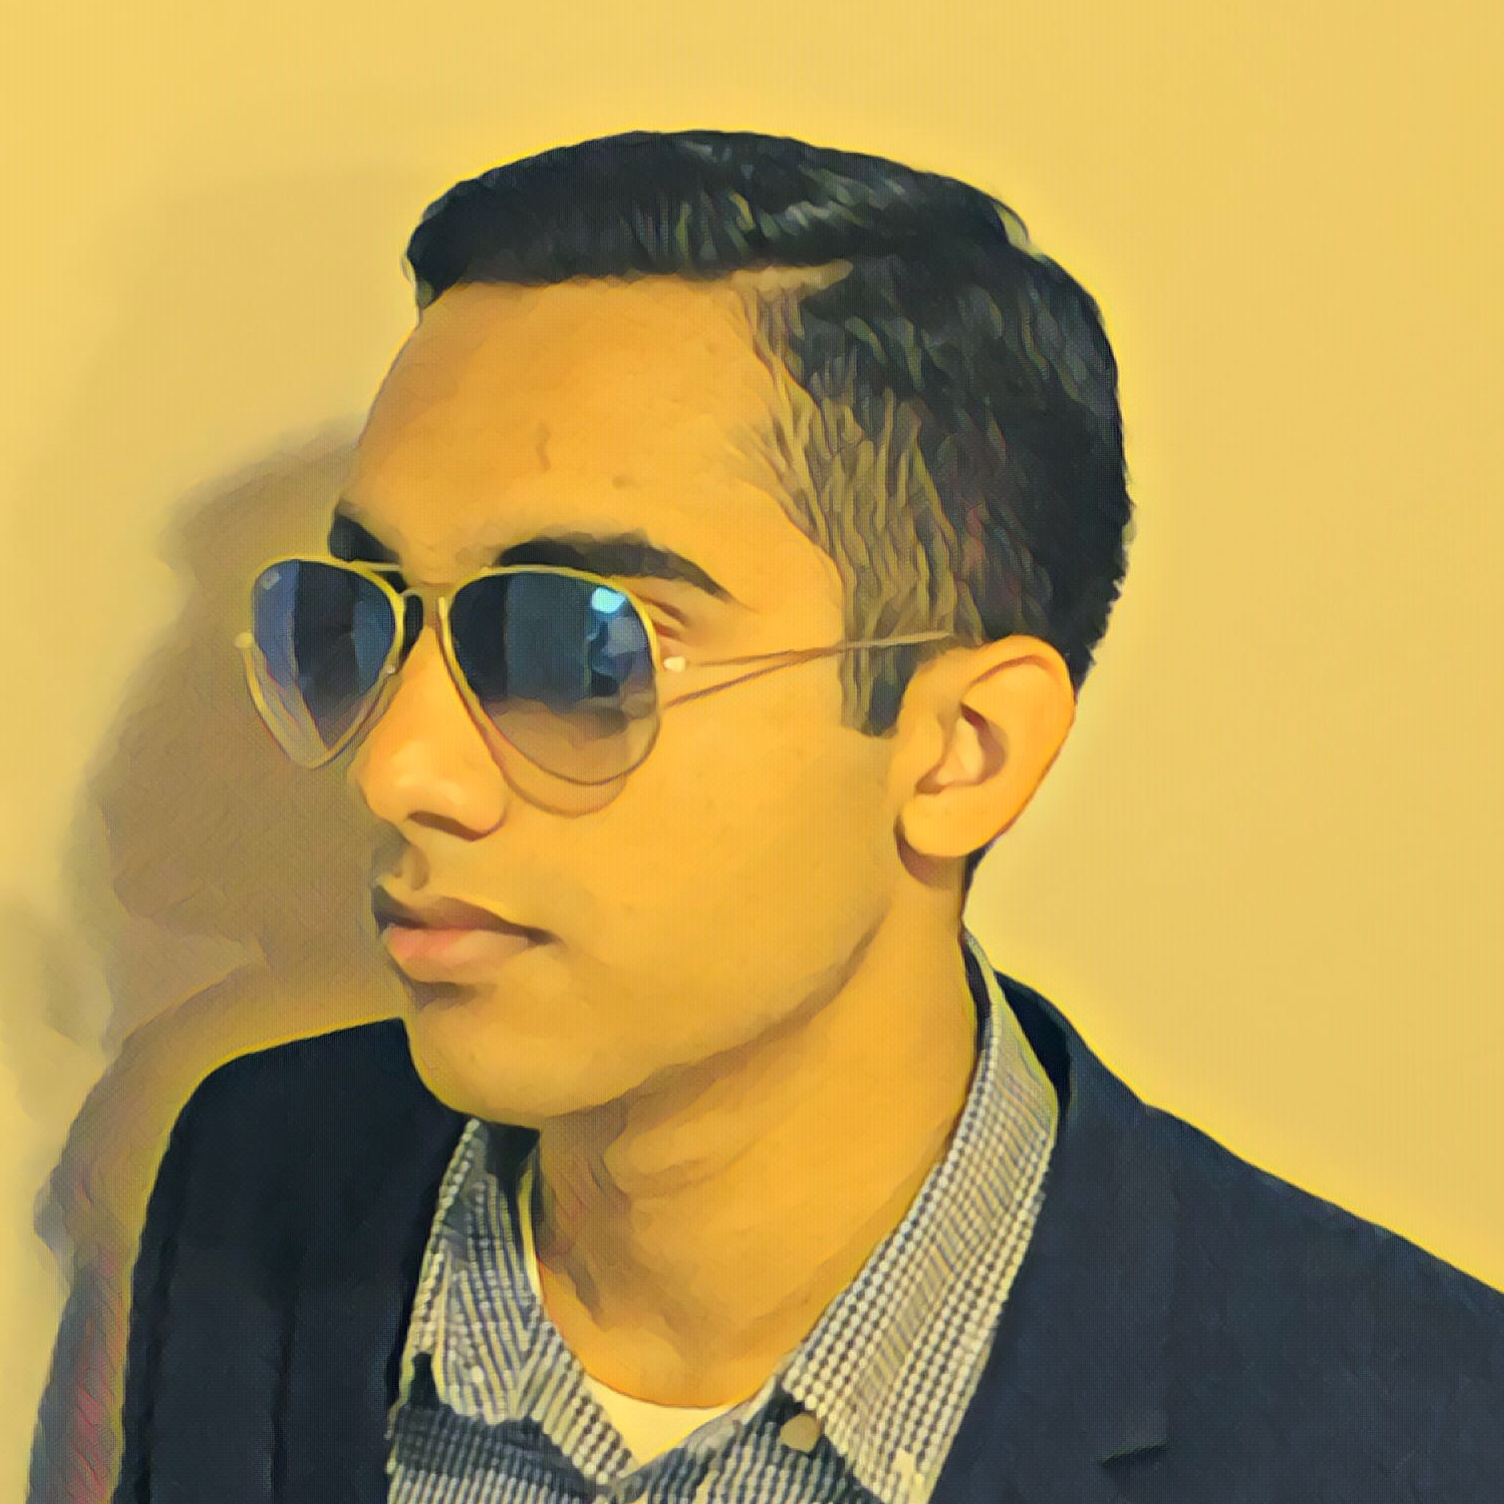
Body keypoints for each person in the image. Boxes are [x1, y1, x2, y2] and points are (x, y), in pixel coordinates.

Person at [110, 130, 1503, 1504]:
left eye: (575, 647)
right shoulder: (267, 1190)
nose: (398, 767)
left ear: (961, 751)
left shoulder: (1413, 1434)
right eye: (357, 619)